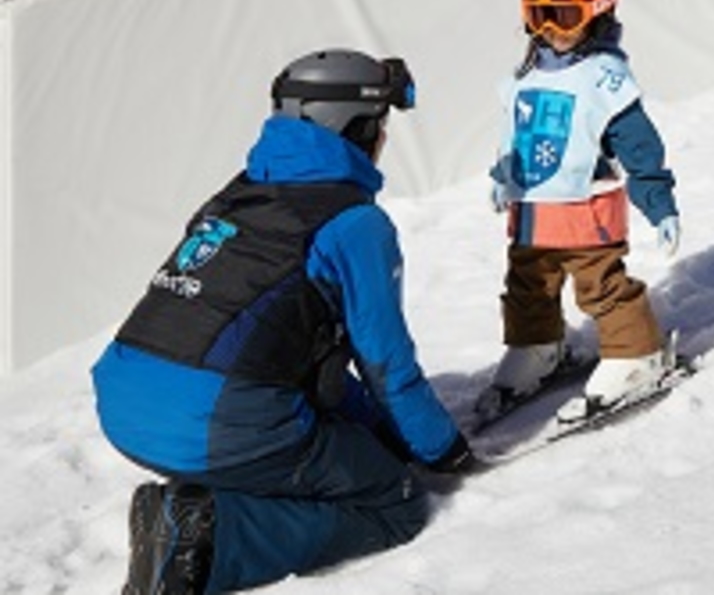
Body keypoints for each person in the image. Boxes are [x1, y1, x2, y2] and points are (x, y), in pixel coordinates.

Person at [91, 50, 472, 595]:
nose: (385, 137)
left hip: (124, 406)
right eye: (381, 123)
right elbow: (386, 365)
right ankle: (209, 535)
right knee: (394, 500)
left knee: (322, 442)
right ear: (356, 128)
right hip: (210, 425)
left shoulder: (235, 196)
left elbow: (271, 339)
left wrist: (371, 429)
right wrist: (441, 449)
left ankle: (202, 502)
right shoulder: (353, 224)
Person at [483, 0, 683, 418]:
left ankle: (637, 353)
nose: (551, 29)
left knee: (601, 286)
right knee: (527, 285)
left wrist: (659, 204)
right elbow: (518, 133)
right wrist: (502, 175)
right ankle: (537, 345)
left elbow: (639, 147)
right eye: (539, 15)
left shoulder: (603, 80)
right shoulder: (526, 74)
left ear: (598, 10)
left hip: (585, 212)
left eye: (565, 15)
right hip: (531, 213)